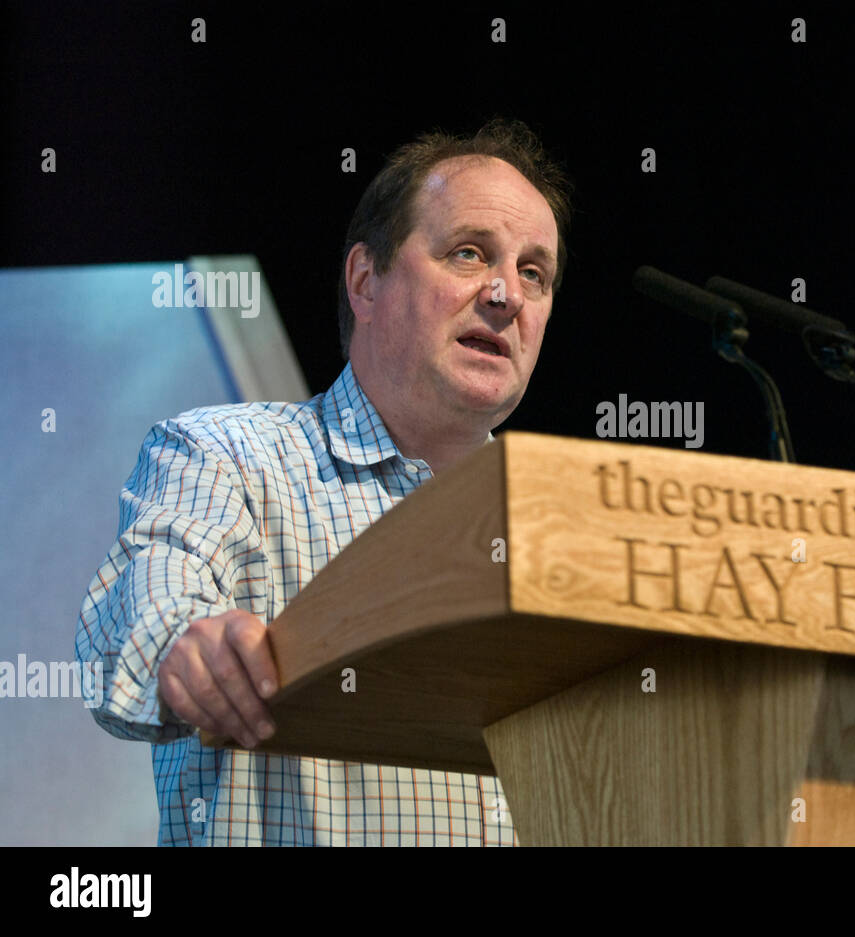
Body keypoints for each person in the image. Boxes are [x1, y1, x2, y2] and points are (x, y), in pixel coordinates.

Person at [75, 118, 570, 845]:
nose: (507, 295)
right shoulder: (228, 456)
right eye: (469, 253)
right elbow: (144, 611)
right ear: (366, 281)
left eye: (535, 272)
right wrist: (189, 644)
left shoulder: (557, 522)